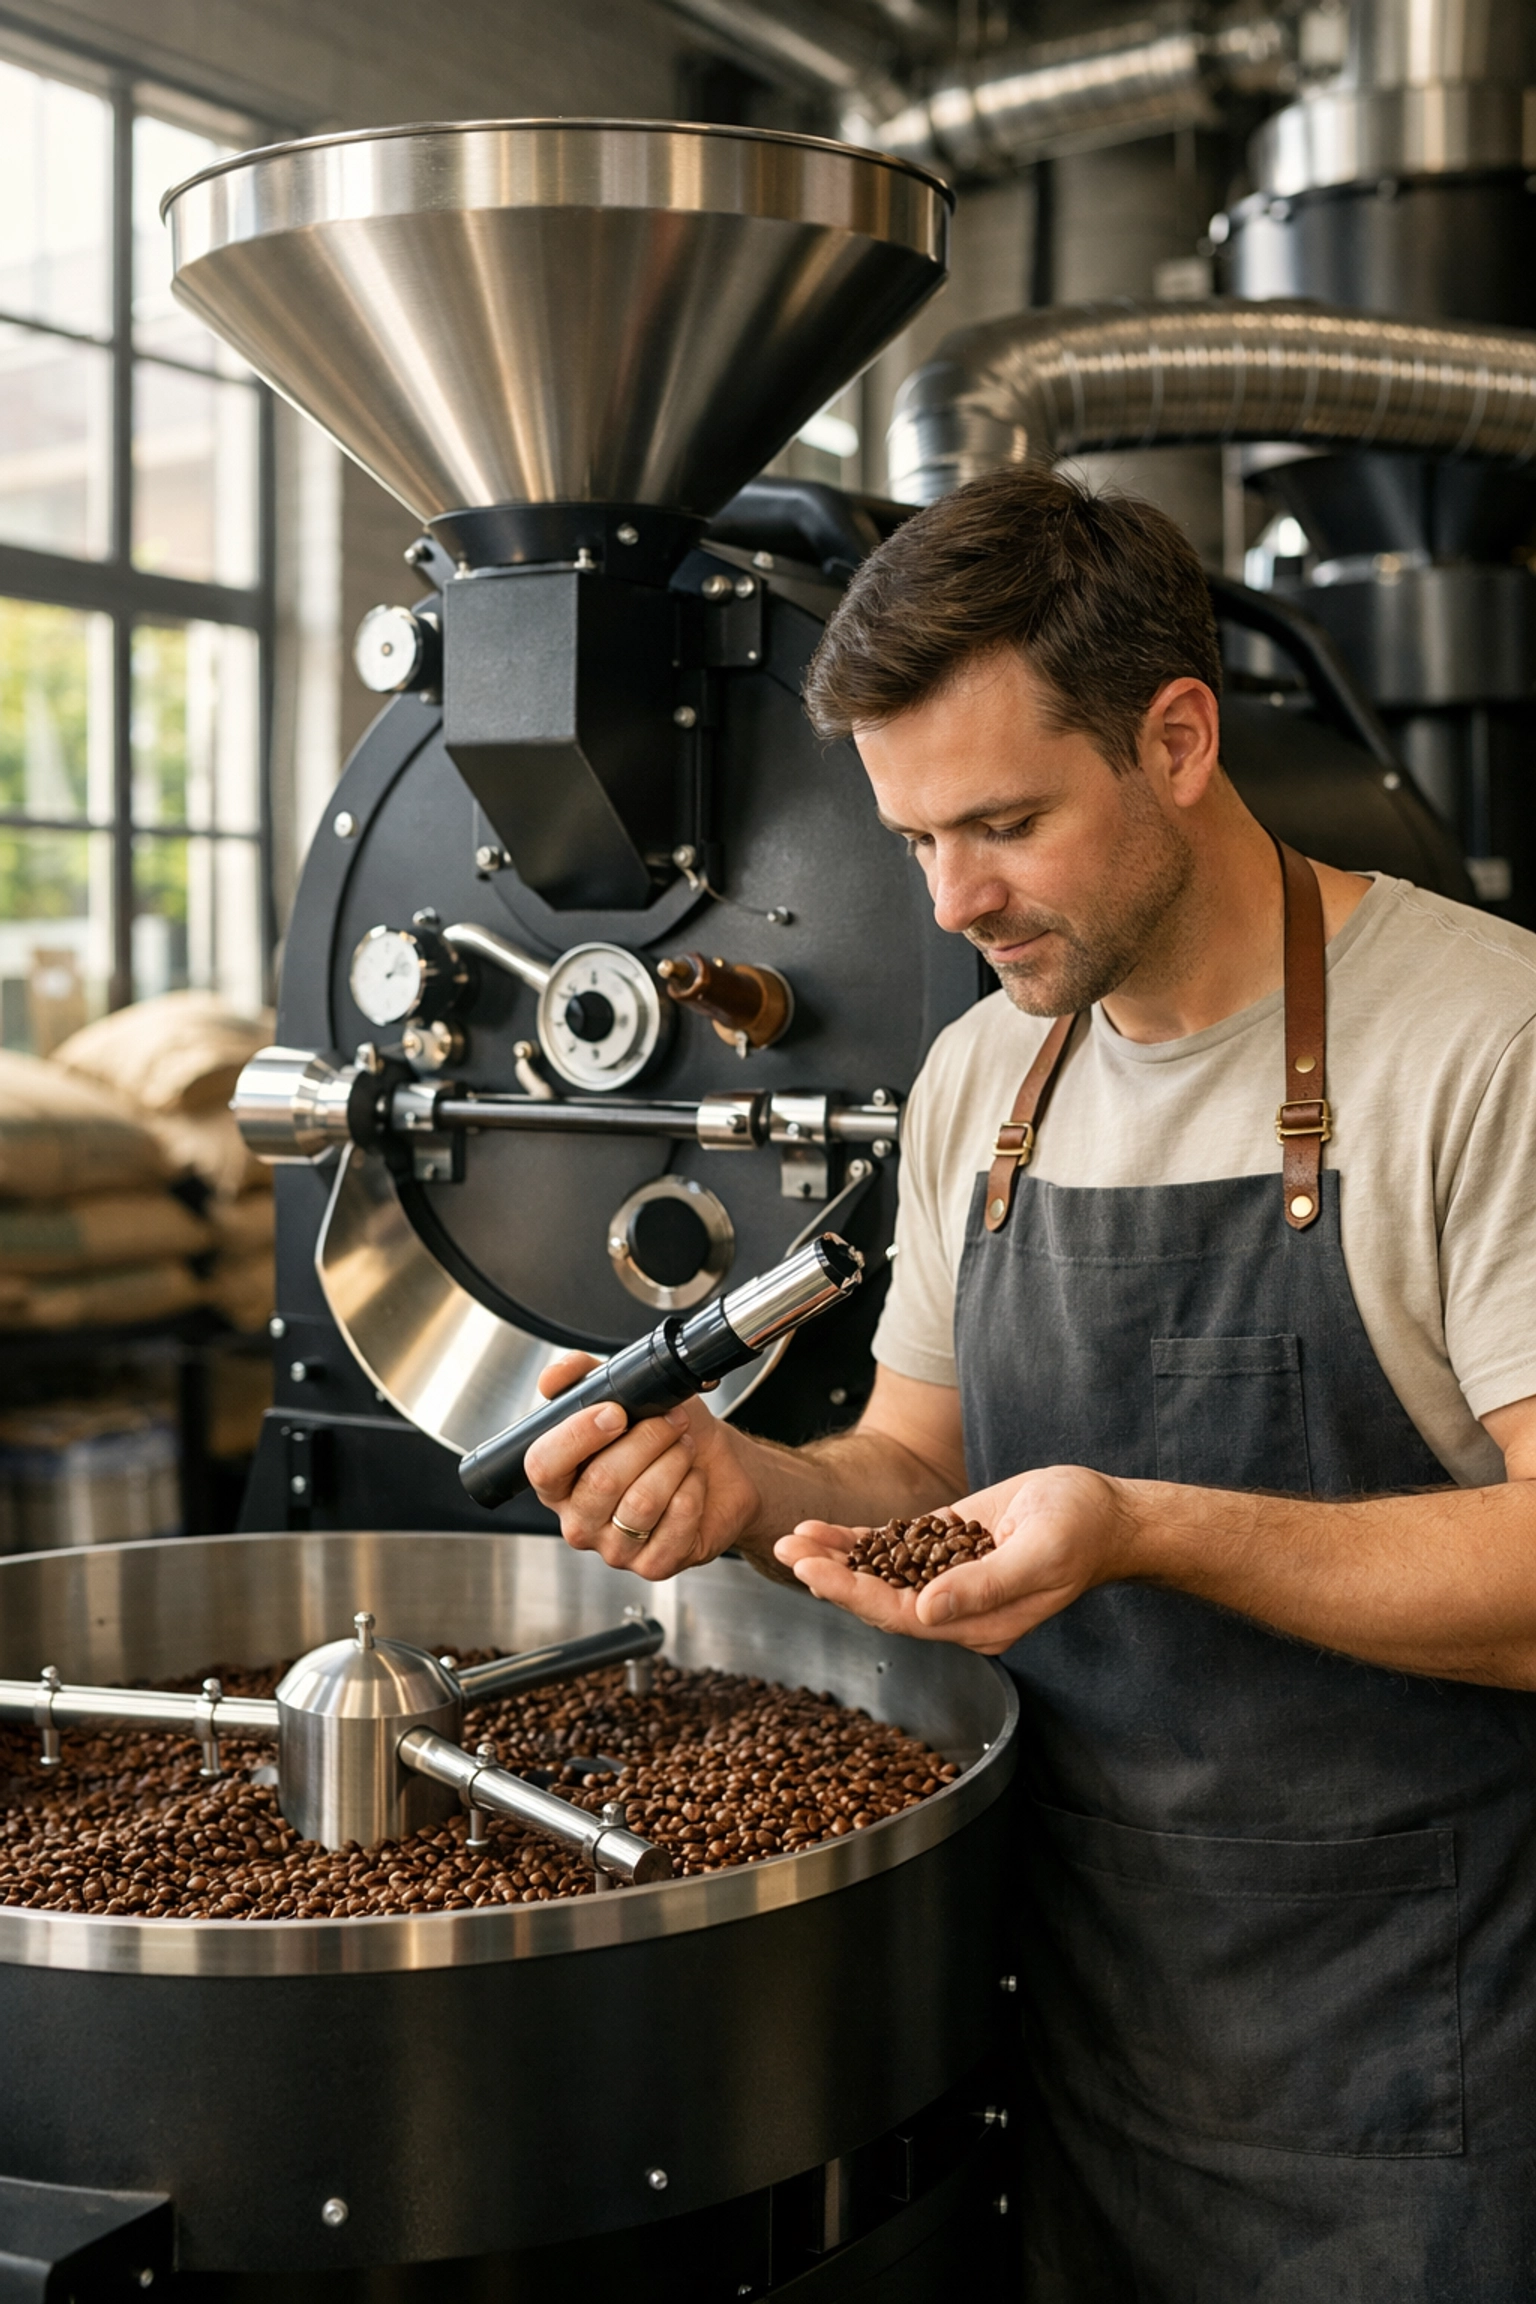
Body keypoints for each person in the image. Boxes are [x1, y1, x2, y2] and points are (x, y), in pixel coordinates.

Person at [523, 463, 1536, 2298]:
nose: (953, 899)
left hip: (1414, 2052)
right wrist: (753, 1491)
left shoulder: (1484, 1041)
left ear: (1175, 737)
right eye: (913, 840)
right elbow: (914, 1457)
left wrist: (1145, 1526)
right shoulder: (990, 1075)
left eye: (1002, 822)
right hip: (1070, 2011)